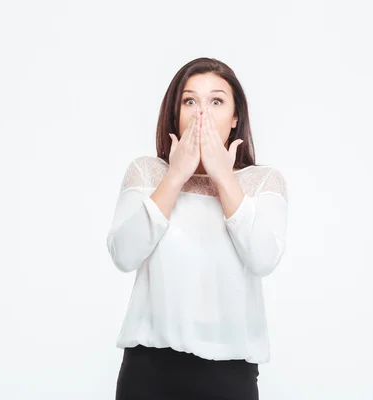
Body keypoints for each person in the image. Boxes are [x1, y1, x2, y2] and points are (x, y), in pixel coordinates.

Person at [106, 57, 288, 399]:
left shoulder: (263, 182)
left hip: (230, 374)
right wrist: (175, 176)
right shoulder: (147, 173)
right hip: (148, 371)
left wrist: (223, 176)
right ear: (176, 112)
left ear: (235, 117)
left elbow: (263, 259)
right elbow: (123, 255)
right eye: (190, 101)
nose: (201, 112)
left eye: (216, 101)